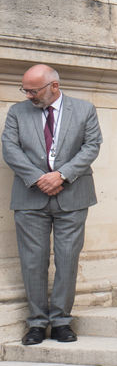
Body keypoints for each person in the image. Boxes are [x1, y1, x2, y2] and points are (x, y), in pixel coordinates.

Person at [3, 65, 102, 345]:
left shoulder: (84, 109)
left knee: (67, 259)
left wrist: (62, 175)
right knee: (32, 261)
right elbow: (10, 149)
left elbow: (92, 146)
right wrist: (39, 178)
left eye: (33, 90)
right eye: (25, 90)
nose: (28, 95)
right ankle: (36, 323)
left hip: (73, 195)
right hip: (30, 197)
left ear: (54, 87)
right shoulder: (17, 112)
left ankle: (61, 321)